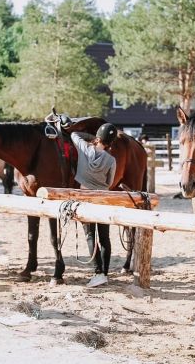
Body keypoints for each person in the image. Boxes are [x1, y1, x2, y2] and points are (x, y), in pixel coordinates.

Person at [71, 123, 117, 288]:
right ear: (111, 142)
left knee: (90, 236)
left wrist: (91, 138)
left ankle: (97, 273)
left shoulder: (84, 148)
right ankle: (104, 273)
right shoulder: (111, 160)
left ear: (98, 138)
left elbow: (74, 134)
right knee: (105, 238)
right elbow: (110, 182)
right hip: (103, 199)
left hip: (85, 197)